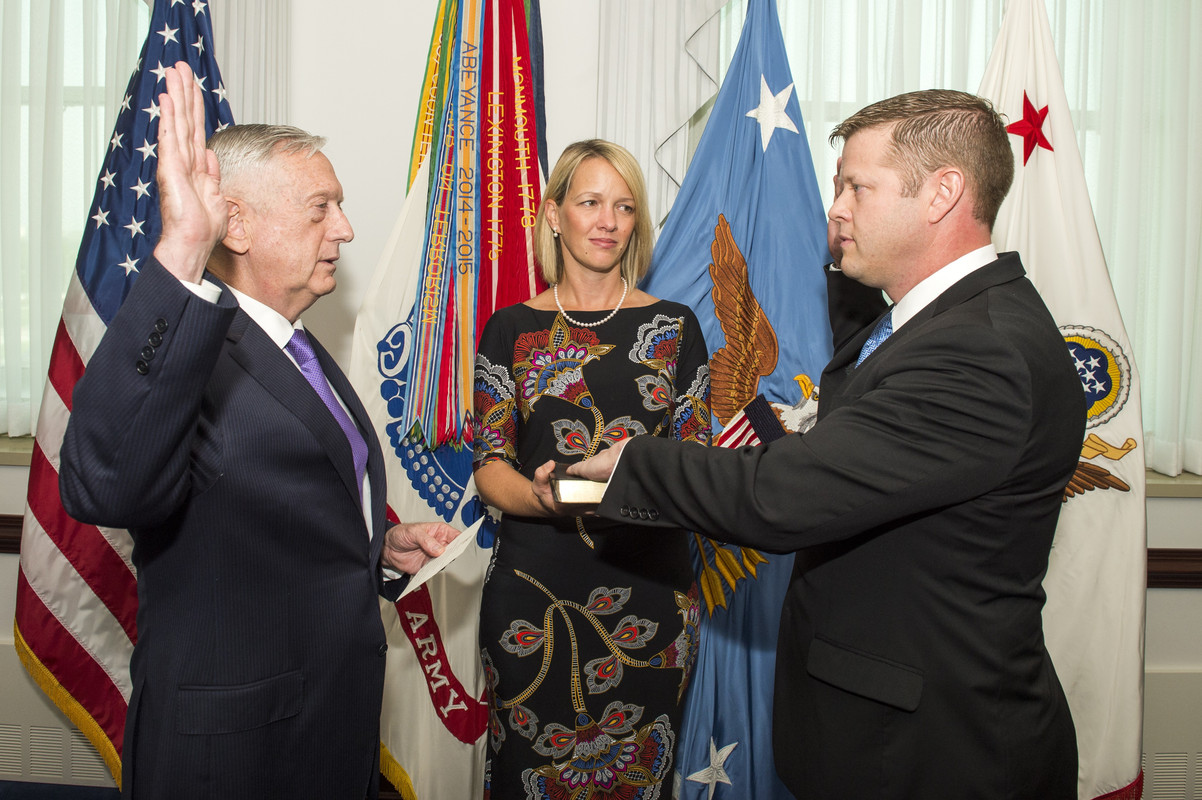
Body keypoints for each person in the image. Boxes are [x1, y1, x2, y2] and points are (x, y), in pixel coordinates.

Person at [555, 90, 1084, 799]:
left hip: (936, 753)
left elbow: (785, 495)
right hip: (882, 733)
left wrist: (633, 462)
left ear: (943, 193)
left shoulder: (976, 352)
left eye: (856, 188)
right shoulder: (924, 326)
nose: (834, 209)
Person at [58, 62, 459, 799]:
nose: (344, 227)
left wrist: (375, 550)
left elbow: (272, 515)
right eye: (320, 208)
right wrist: (179, 247)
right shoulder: (190, 349)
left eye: (338, 206)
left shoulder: (300, 346)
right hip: (233, 754)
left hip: (326, 732)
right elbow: (101, 482)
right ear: (235, 224)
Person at [471, 139, 711, 797]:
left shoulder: (676, 327)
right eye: (590, 202)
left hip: (651, 598)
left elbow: (698, 466)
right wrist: (540, 497)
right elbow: (490, 466)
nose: (607, 221)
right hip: (532, 592)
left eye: (624, 206)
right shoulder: (509, 329)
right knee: (529, 774)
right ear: (554, 214)